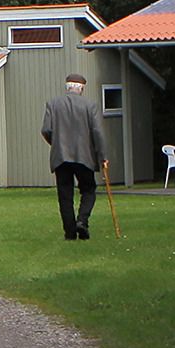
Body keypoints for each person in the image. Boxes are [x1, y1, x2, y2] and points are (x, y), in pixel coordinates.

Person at [42, 71, 107, 240]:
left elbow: (46, 130)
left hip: (61, 157)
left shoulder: (53, 104)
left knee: (65, 195)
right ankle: (82, 221)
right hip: (84, 156)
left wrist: (55, 143)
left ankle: (70, 233)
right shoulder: (90, 105)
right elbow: (97, 132)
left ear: (67, 87)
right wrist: (103, 156)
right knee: (89, 190)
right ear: (82, 88)